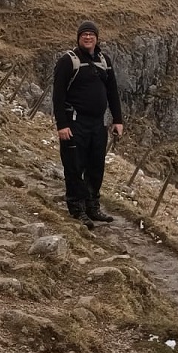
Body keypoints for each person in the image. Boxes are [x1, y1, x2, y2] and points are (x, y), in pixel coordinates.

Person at [52, 19, 124, 224]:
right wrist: (62, 125)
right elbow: (58, 96)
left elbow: (112, 92)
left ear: (97, 38)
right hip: (75, 123)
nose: (88, 37)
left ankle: (93, 207)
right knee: (75, 166)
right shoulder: (68, 61)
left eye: (92, 34)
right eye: (84, 34)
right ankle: (77, 209)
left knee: (96, 166)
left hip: (98, 124)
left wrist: (117, 119)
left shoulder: (104, 61)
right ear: (78, 38)